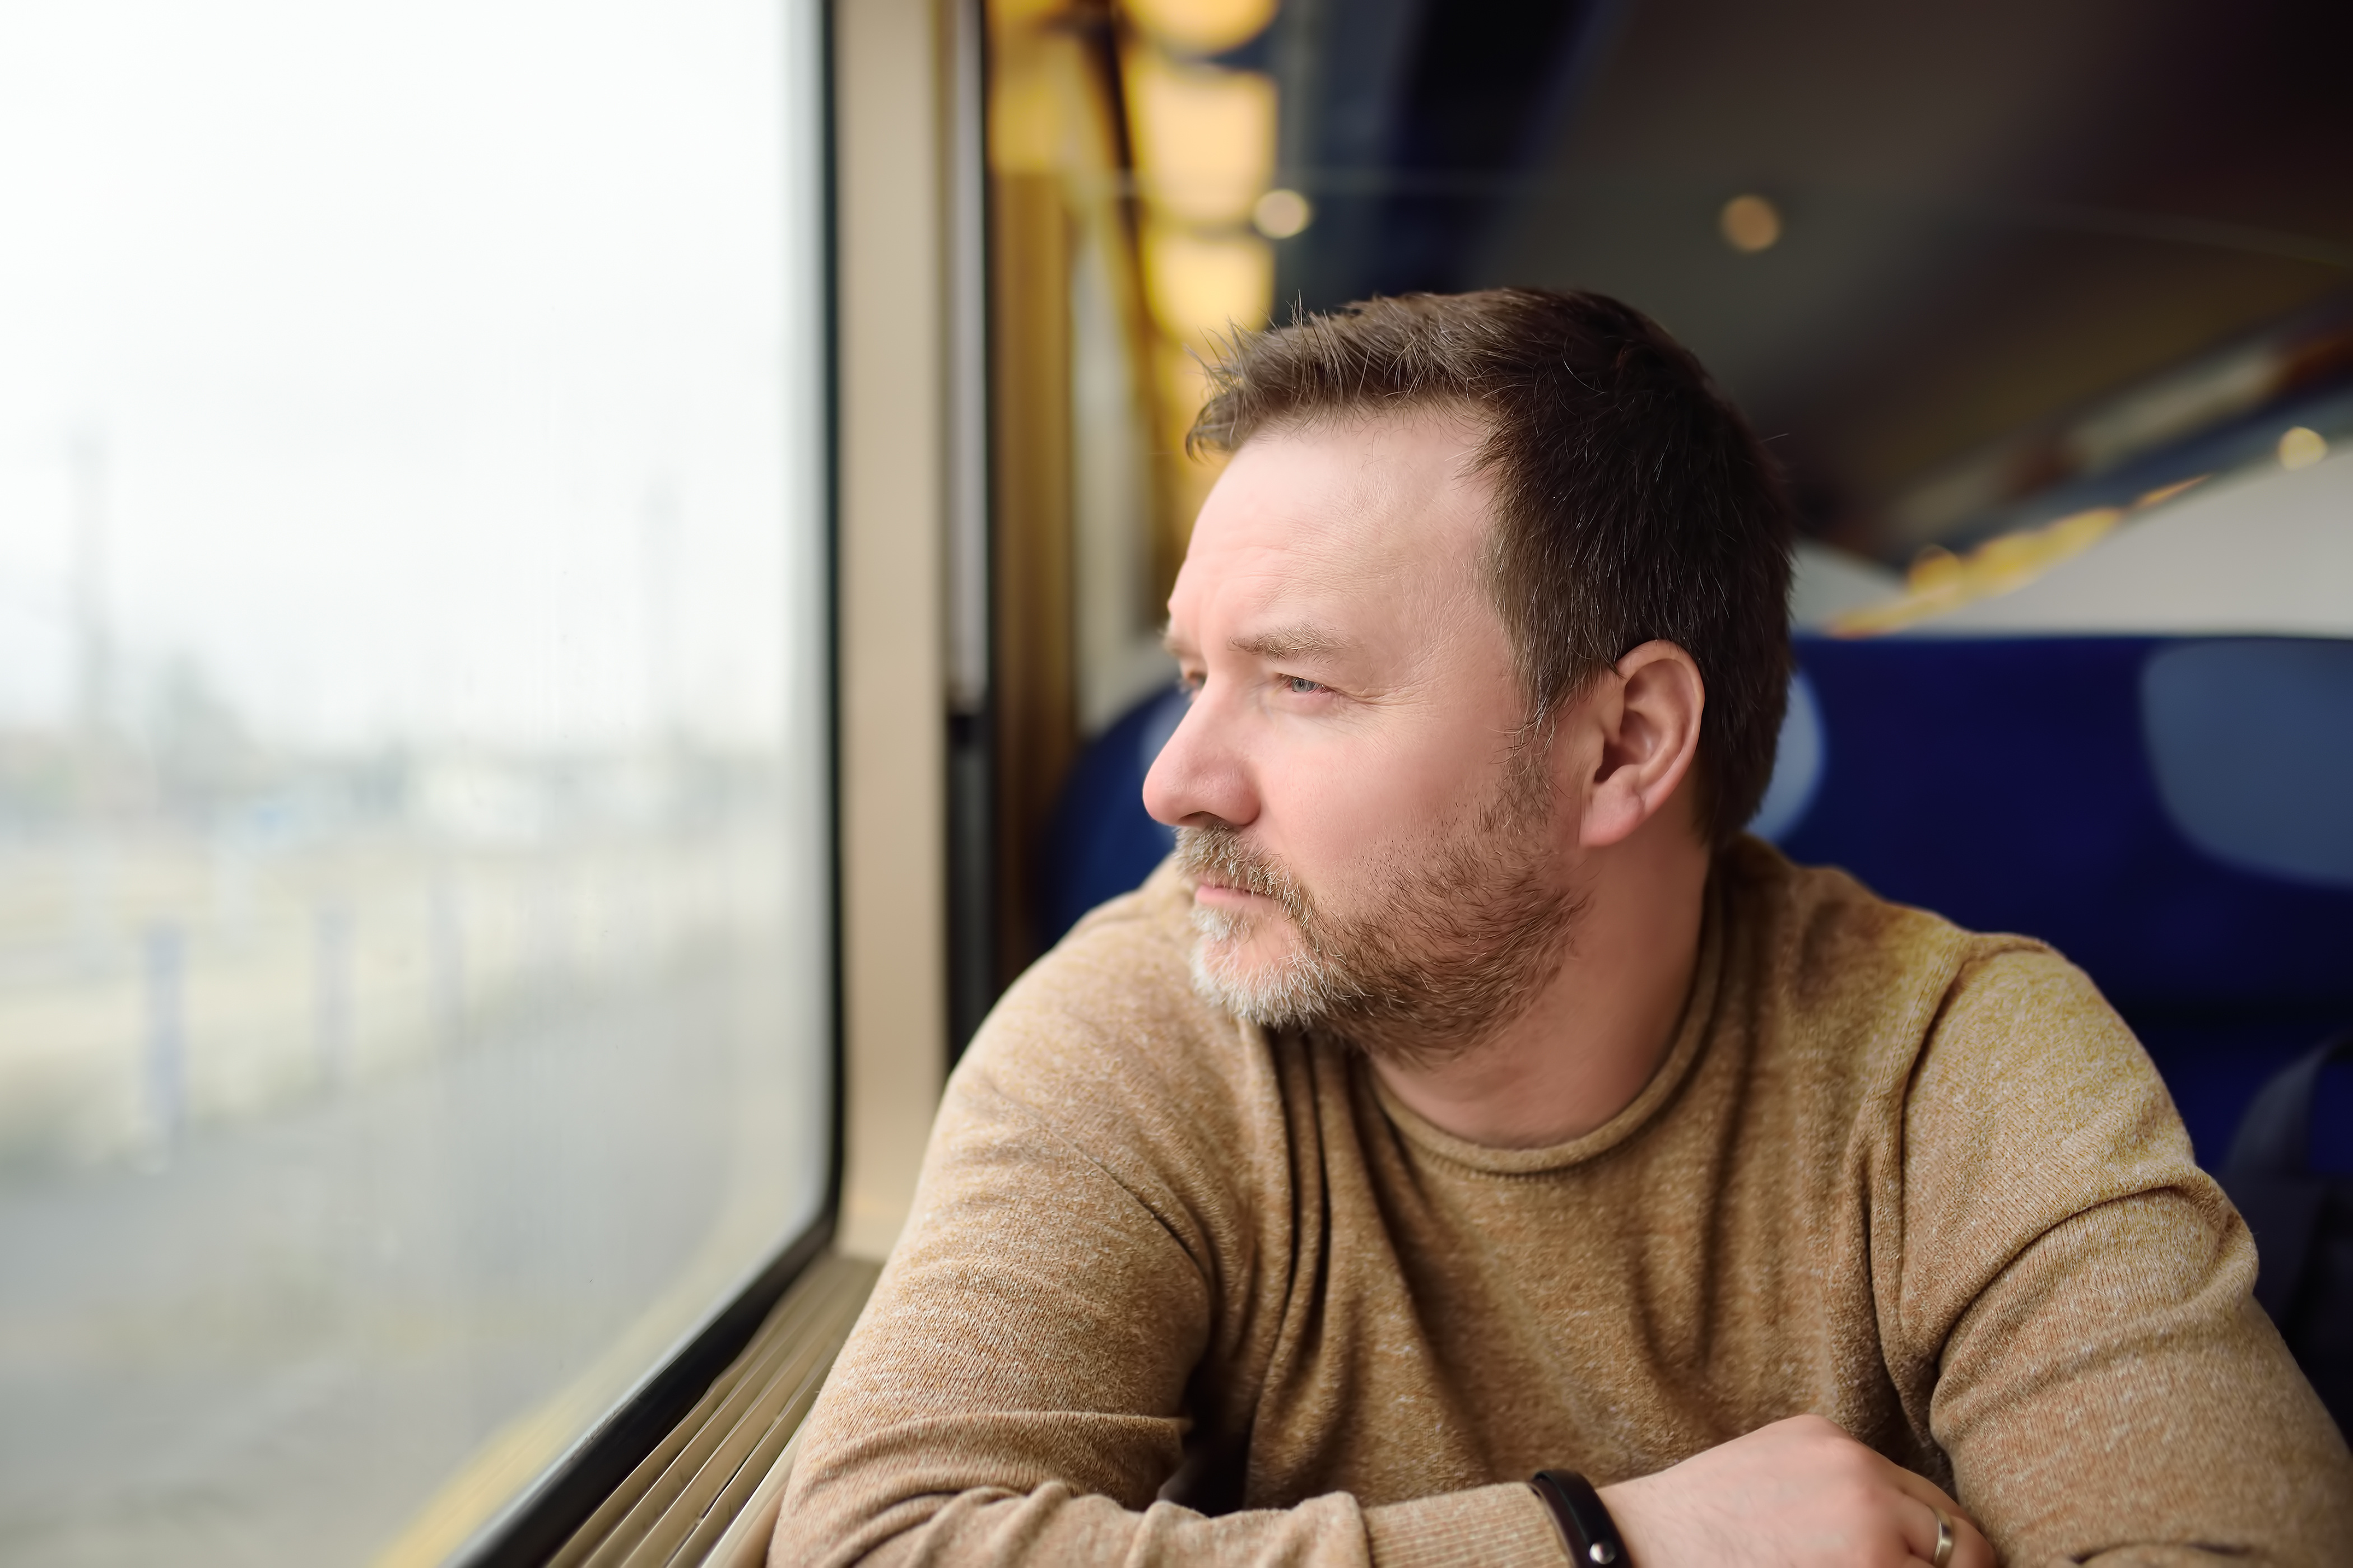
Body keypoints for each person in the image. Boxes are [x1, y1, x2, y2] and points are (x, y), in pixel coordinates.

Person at [775, 290, 2352, 1566]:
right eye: (1196, 675)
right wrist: (1618, 1543)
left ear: (1621, 747)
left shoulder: (1955, 1056)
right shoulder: (1145, 1020)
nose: (1175, 783)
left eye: (1300, 682)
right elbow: (880, 1544)